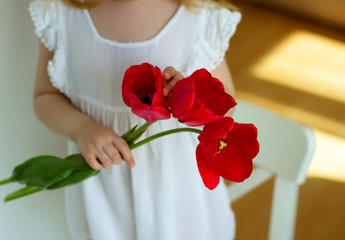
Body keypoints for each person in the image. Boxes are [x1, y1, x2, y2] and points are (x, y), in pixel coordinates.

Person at [29, 0, 241, 239]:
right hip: (104, 204)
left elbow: (226, 106)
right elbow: (45, 96)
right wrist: (81, 128)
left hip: (180, 204)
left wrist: (191, 97)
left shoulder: (198, 18)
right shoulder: (61, 13)